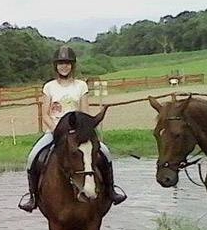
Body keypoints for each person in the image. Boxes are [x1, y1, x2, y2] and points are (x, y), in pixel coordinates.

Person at [18, 46, 126, 212]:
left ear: (72, 65)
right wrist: (56, 130)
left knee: (105, 153)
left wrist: (83, 132)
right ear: (56, 66)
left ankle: (111, 191)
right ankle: (33, 197)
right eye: (61, 63)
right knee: (33, 156)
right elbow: (45, 114)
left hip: (79, 134)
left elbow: (84, 112)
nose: (64, 66)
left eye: (67, 63)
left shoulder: (81, 86)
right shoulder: (49, 87)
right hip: (55, 132)